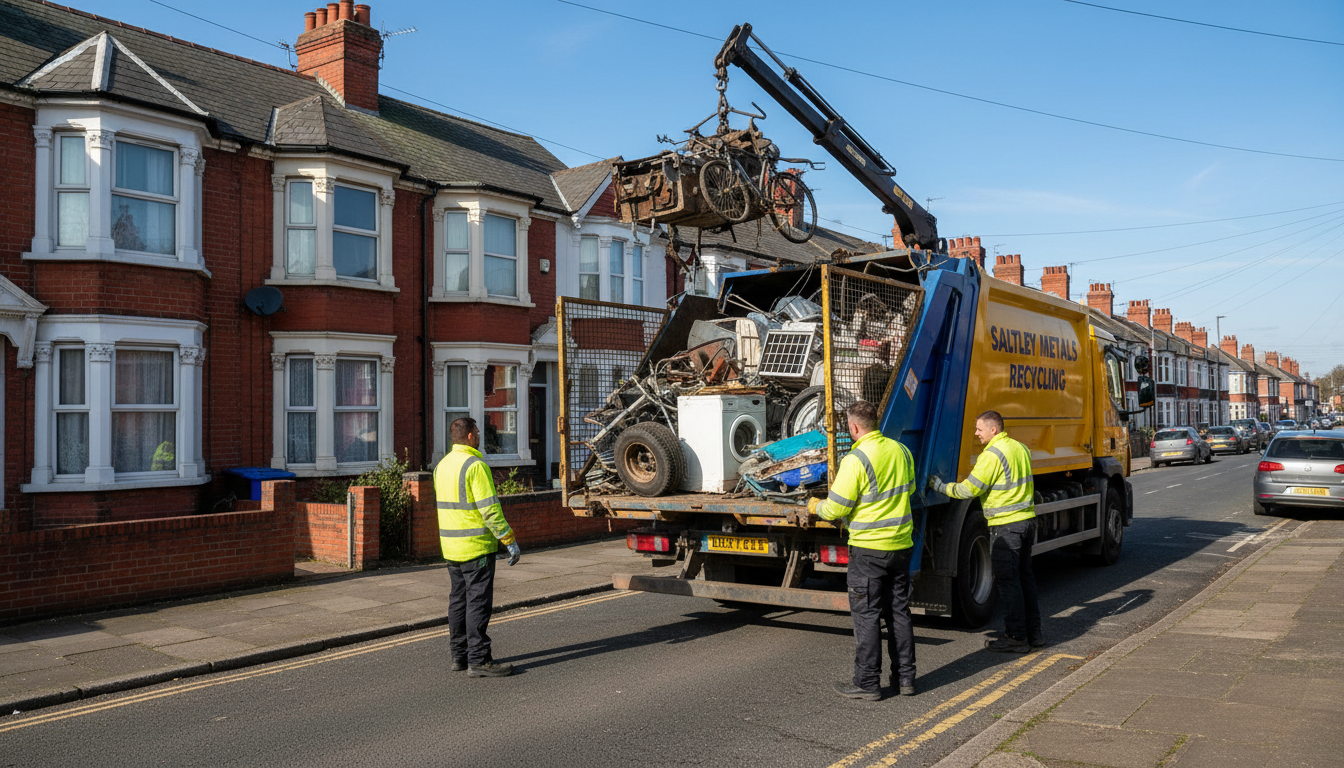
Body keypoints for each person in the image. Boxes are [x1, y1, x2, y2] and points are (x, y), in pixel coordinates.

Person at [807, 401, 917, 700]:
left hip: (869, 550)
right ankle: (905, 680)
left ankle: (868, 683)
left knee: (867, 616)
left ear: (854, 427)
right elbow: (909, 491)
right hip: (901, 546)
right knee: (899, 613)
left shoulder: (855, 460)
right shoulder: (902, 451)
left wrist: (816, 505)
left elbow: (837, 508)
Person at [929, 410, 1043, 653]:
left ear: (994, 429)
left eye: (979, 429)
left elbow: (969, 490)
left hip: (1006, 527)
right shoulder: (1019, 448)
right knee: (1025, 579)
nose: (976, 433)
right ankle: (1034, 634)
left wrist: (940, 486)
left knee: (1008, 583)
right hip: (1026, 522)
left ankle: (1016, 637)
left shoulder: (991, 455)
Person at [435, 416, 522, 677]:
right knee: (478, 604)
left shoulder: (442, 466)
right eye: (478, 432)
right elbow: (490, 511)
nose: (481, 436)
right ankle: (479, 660)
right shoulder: (475, 465)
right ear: (471, 436)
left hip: (450, 548)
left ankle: (459, 657)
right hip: (476, 548)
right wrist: (509, 540)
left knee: (458, 602)